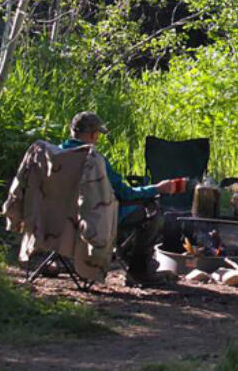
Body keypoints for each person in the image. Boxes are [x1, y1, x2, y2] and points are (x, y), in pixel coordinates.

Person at [62, 111, 183, 286]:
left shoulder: (55, 155)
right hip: (93, 220)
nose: (97, 139)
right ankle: (139, 271)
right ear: (92, 134)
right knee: (151, 212)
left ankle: (122, 255)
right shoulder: (94, 159)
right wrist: (157, 188)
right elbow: (125, 194)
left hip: (60, 219)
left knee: (126, 209)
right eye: (97, 135)